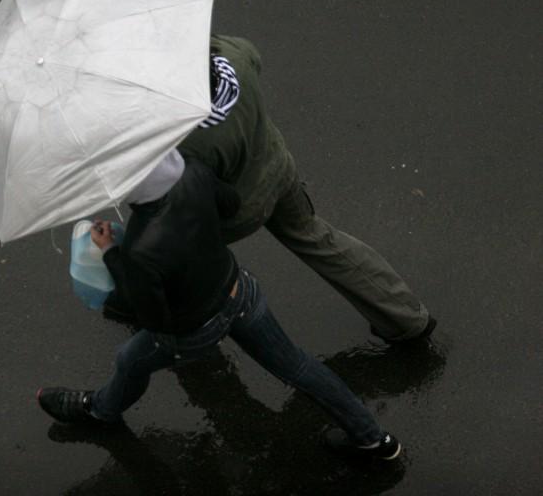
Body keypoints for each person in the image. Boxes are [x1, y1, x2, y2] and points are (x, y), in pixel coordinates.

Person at [37, 150, 402, 460]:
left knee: (129, 360)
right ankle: (374, 438)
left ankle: (100, 411)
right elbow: (231, 204)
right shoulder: (194, 173)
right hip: (239, 291)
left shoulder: (139, 248)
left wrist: (113, 255)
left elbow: (151, 316)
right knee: (298, 365)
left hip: (193, 328)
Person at [114, 35, 434, 342]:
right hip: (277, 168)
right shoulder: (232, 56)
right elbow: (252, 54)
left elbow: (190, 196)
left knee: (162, 252)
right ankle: (406, 318)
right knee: (317, 238)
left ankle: (176, 329)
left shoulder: (185, 143)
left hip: (236, 209)